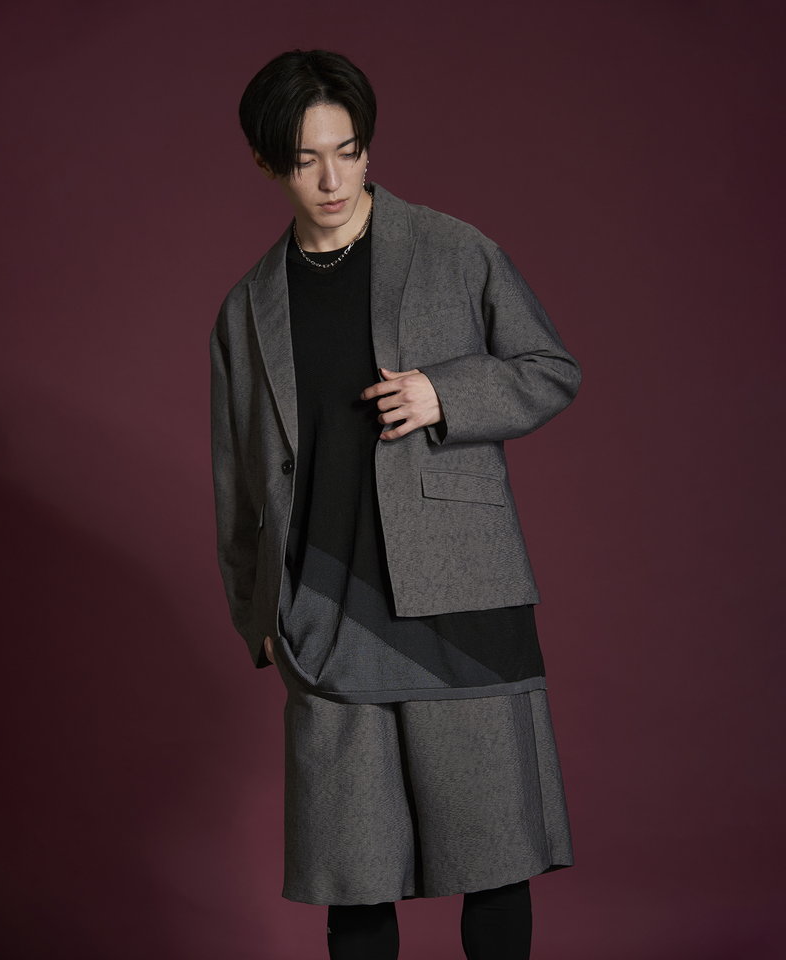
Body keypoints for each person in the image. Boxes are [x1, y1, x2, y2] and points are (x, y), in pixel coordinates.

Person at [210, 48, 582, 960]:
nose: (332, 180)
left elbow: (550, 368)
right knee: (356, 886)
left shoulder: (453, 249)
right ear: (267, 162)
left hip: (464, 606)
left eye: (348, 151)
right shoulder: (247, 309)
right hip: (327, 618)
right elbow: (237, 482)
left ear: (368, 147)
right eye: (306, 160)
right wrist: (258, 616)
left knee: (494, 867)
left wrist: (444, 393)